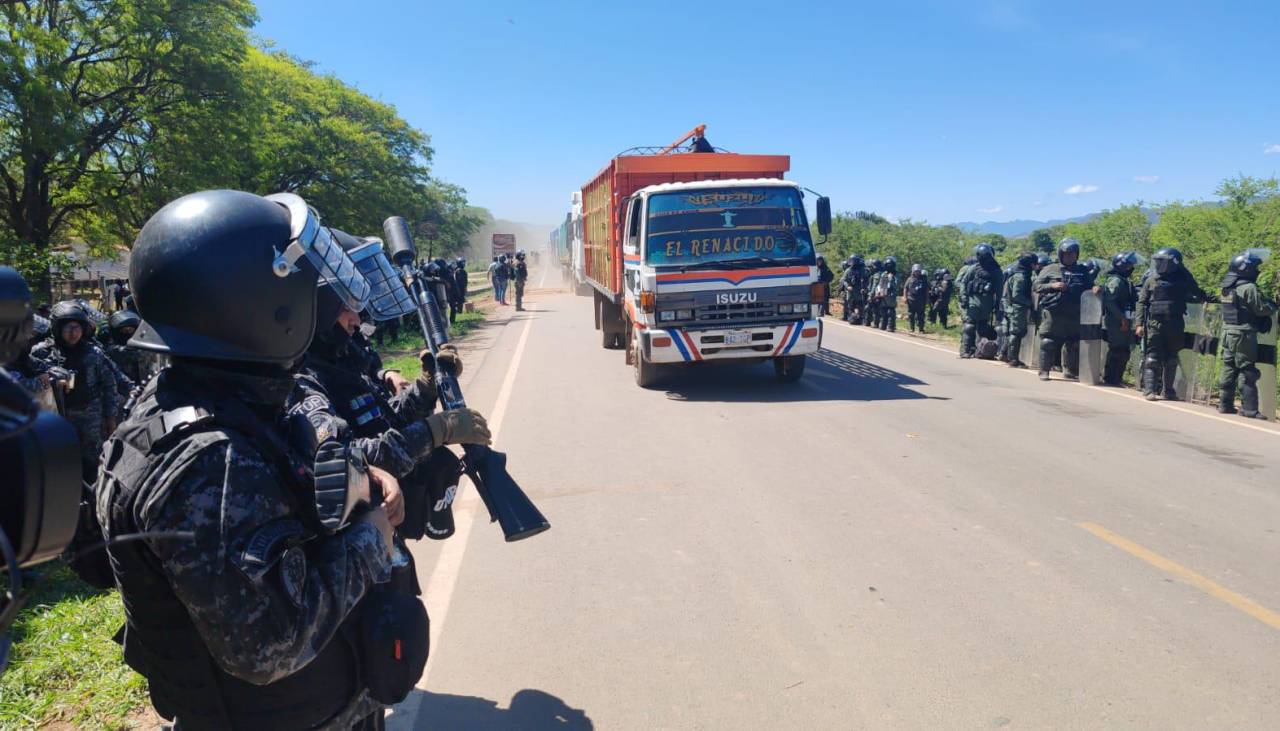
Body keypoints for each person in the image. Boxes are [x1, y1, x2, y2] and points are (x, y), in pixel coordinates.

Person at [95, 190, 406, 729]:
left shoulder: (204, 392)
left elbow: (290, 458)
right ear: (261, 303)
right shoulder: (207, 463)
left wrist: (360, 473)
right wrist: (371, 536)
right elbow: (271, 648)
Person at [31, 300, 119, 479]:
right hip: (54, 418)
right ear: (58, 329)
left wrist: (111, 417)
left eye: (77, 327)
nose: (73, 333)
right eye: (68, 328)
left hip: (90, 417)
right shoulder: (40, 353)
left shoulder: (94, 353)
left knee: (94, 463)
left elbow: (110, 385)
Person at [1136, 247, 1209, 400]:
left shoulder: (1182, 280)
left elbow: (1196, 291)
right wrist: (1139, 324)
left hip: (1175, 323)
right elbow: (1142, 303)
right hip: (1156, 323)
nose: (1158, 265)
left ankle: (1168, 391)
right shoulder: (1152, 280)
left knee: (1172, 359)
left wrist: (1185, 272)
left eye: (1162, 262)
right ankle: (1149, 390)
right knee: (1153, 358)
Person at [1217, 251, 1276, 419]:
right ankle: (1249, 409)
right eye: (1255, 267)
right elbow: (1260, 309)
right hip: (1244, 334)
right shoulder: (1248, 288)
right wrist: (1273, 306)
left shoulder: (1227, 287)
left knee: (1229, 368)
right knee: (1247, 370)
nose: (1257, 270)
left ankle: (1224, 405)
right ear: (1247, 269)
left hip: (1228, 332)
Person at [1033, 238, 1090, 381]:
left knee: (1073, 343)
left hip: (1074, 313)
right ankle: (1044, 371)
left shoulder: (1083, 271)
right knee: (1048, 342)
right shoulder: (1050, 269)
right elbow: (1036, 287)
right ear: (1061, 255)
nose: (1070, 257)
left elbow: (1090, 287)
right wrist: (1052, 286)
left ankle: (1071, 371)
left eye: (1073, 254)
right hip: (1054, 313)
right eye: (1067, 254)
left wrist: (1096, 289)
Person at [956, 245, 1002, 358]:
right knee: (969, 326)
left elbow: (999, 290)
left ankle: (979, 350)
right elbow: (963, 282)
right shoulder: (974, 268)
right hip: (973, 300)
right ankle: (964, 350)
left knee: (982, 327)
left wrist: (997, 306)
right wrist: (963, 296)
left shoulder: (996, 271)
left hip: (987, 302)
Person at [1101, 252, 1139, 386]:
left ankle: (1116, 378)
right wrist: (1122, 319)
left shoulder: (1123, 280)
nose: (1131, 268)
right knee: (1117, 349)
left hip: (1123, 319)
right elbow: (1110, 302)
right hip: (1116, 320)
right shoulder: (1115, 280)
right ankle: (1111, 378)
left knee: (1123, 350)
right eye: (1129, 265)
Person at [1001, 252, 1036, 368]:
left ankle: (1005, 355)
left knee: (1015, 332)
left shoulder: (1019, 273)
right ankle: (1013, 359)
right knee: (1016, 333)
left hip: (1015, 307)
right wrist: (1029, 303)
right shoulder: (1020, 277)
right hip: (1017, 308)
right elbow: (1017, 295)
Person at [875, 256, 900, 331]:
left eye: (890, 265)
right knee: (883, 311)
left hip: (891, 295)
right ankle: (883, 325)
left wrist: (891, 279)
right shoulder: (884, 274)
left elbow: (896, 285)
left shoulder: (896, 274)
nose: (888, 267)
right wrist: (878, 291)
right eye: (887, 265)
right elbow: (880, 284)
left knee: (890, 311)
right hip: (883, 295)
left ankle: (890, 326)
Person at [841, 255, 868, 324]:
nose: (853, 262)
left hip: (859, 292)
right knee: (851, 307)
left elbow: (866, 280)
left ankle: (859, 320)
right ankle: (851, 319)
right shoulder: (848, 270)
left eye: (854, 261)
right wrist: (848, 286)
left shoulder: (862, 270)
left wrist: (864, 288)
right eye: (852, 261)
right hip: (851, 292)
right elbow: (844, 280)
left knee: (860, 307)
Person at [904, 263, 930, 333]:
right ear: (913, 271)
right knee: (911, 314)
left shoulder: (924, 280)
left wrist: (927, 299)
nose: (917, 272)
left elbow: (927, 290)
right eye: (916, 271)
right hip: (911, 299)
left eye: (918, 271)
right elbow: (905, 288)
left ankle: (921, 329)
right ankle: (911, 328)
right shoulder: (909, 279)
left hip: (921, 300)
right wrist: (905, 297)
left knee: (921, 315)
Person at [865, 259, 883, 328]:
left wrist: (870, 295)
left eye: (872, 266)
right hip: (877, 294)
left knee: (872, 309)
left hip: (875, 295)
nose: (871, 268)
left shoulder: (877, 275)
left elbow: (874, 286)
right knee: (875, 309)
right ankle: (871, 323)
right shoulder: (878, 274)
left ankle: (873, 323)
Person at [450, 257, 468, 322]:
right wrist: (464, 288)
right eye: (462, 263)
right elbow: (462, 281)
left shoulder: (456, 270)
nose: (464, 264)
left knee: (459, 300)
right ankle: (459, 311)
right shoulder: (460, 271)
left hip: (458, 289)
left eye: (464, 262)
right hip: (459, 289)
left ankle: (458, 311)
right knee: (460, 300)